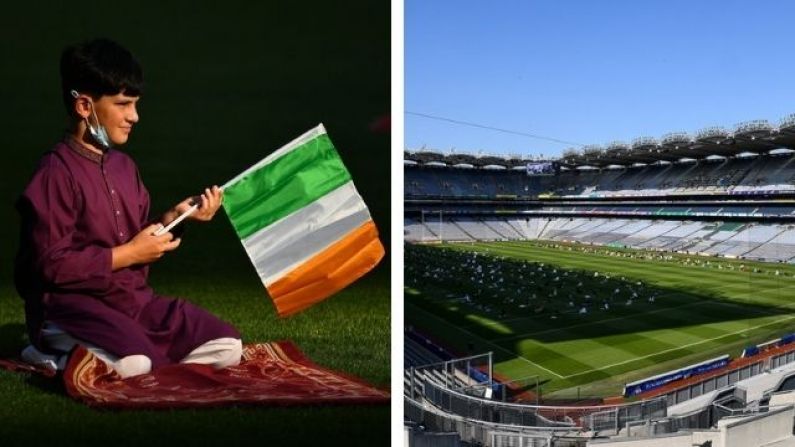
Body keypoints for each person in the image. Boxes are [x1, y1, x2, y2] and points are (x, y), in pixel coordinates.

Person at [14, 38, 242, 378]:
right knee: (135, 364)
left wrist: (174, 219)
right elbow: (50, 265)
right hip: (69, 309)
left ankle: (130, 353)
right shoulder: (54, 173)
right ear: (85, 107)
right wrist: (130, 254)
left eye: (135, 104)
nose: (134, 116)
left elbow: (134, 236)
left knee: (227, 346)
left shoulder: (124, 166)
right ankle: (47, 355)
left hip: (131, 303)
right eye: (123, 104)